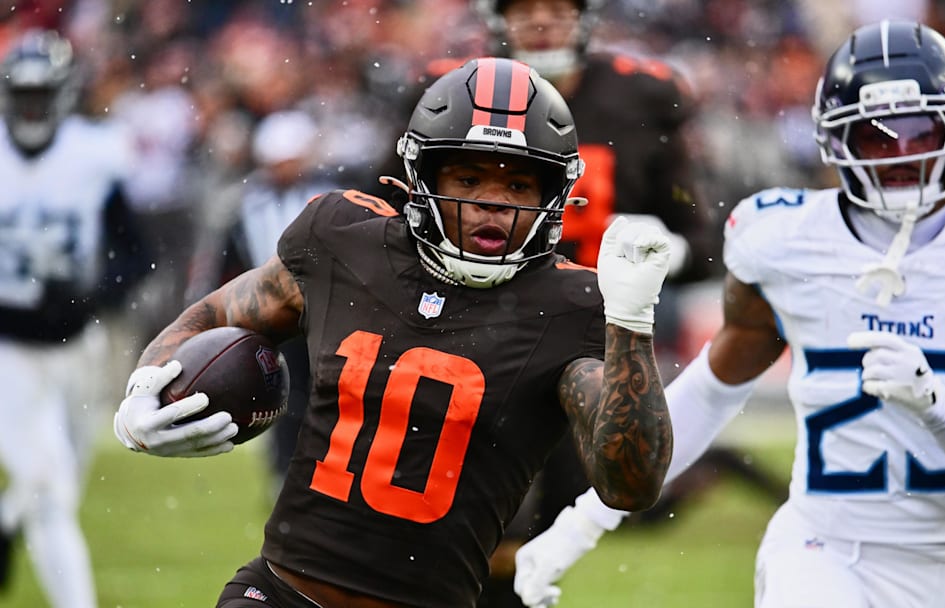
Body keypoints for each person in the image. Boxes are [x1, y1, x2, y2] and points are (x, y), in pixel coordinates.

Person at [513, 20, 945, 608]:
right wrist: (578, 526)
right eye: (877, 137)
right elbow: (711, 391)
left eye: (923, 130)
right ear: (836, 142)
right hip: (817, 551)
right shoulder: (787, 240)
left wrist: (936, 407)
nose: (905, 153)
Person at [112, 57, 674, 608]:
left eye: (520, 185)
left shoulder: (571, 304)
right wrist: (143, 391)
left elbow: (631, 484)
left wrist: (632, 322)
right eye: (470, 177)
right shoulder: (345, 241)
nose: (491, 205)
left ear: (553, 194)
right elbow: (216, 315)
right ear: (422, 174)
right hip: (283, 593)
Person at [464, 2, 743, 604]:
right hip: (482, 332)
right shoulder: (462, 93)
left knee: (556, 519)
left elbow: (704, 238)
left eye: (556, 8)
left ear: (584, 16)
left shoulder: (641, 98)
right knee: (474, 525)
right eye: (525, 9)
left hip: (590, 341)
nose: (540, 22)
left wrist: (663, 247)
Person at [0, 29, 146, 607]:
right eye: (24, 95)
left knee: (65, 479)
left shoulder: (94, 154)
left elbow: (134, 251)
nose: (33, 108)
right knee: (49, 488)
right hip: (8, 345)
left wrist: (94, 293)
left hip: (78, 341)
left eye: (43, 95)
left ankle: (7, 519)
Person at [184, 109, 340, 501]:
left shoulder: (329, 196)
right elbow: (224, 262)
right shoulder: (246, 202)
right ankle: (285, 471)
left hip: (325, 316)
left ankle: (321, 470)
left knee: (325, 395)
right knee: (282, 398)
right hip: (273, 318)